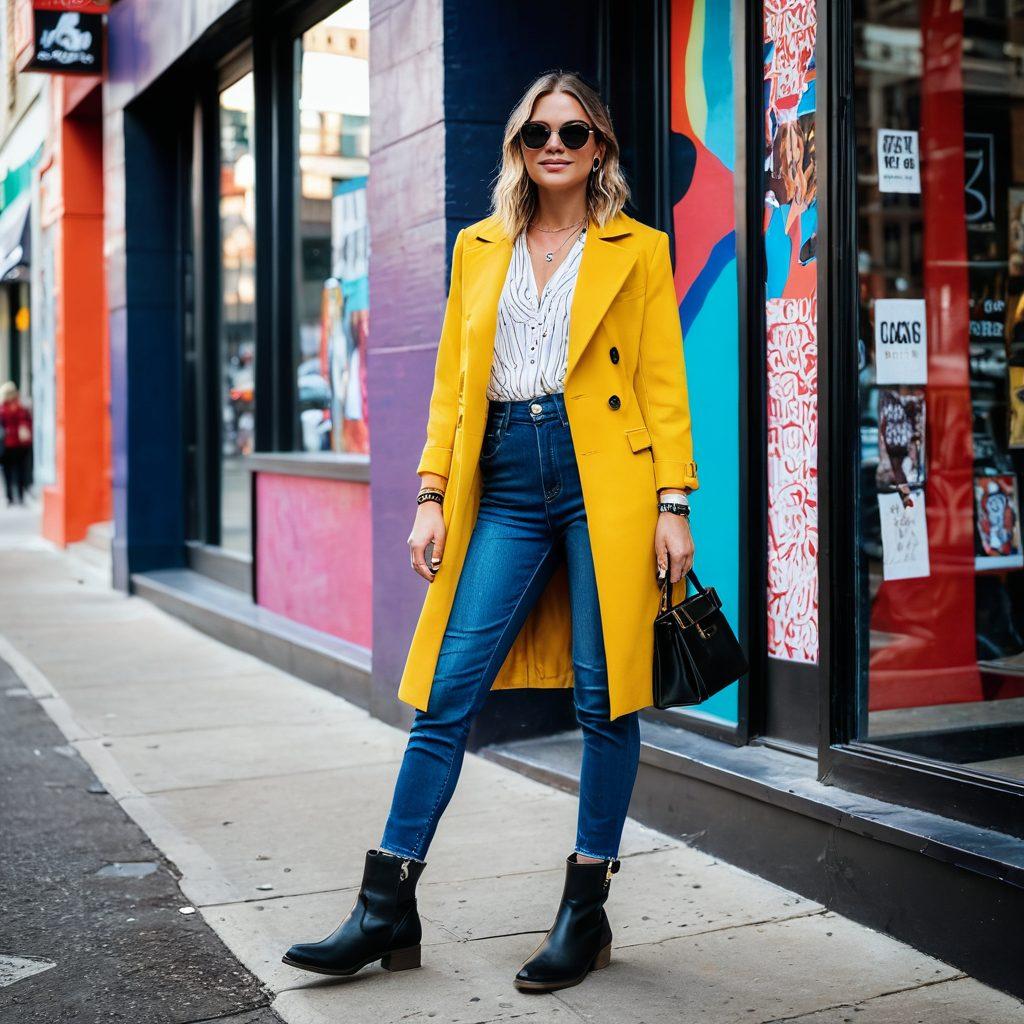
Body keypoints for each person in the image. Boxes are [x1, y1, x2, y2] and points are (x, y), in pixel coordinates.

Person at [283, 70, 699, 992]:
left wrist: (675, 505)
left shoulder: (640, 250)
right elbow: (451, 385)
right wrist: (431, 491)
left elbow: (665, 387)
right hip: (504, 477)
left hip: (608, 482)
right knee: (447, 692)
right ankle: (386, 902)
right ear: (517, 146)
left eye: (574, 132)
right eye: (536, 132)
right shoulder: (480, 247)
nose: (555, 144)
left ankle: (583, 910)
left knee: (606, 699)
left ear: (601, 149)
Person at [0, 381, 32, 506]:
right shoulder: (21, 408)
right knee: (20, 470)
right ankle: (20, 495)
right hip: (19, 444)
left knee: (8, 472)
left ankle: (10, 497)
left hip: (8, 444)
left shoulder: (3, 409)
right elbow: (28, 422)